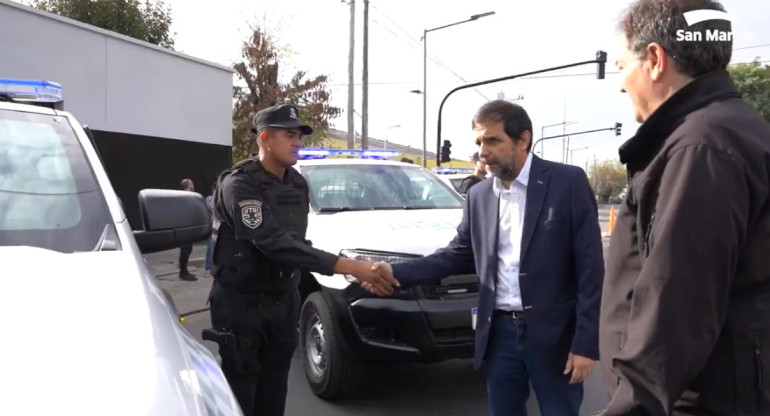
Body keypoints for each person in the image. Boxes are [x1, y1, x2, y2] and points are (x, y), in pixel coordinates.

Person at [370, 100, 604, 416]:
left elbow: (591, 269)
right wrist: (394, 272)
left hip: (555, 334)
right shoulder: (479, 195)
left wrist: (585, 344)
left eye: (492, 140)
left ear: (523, 140)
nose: (482, 151)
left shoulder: (566, 182)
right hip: (499, 333)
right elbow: (456, 255)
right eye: (479, 142)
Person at [599, 0, 770, 414]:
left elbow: (677, 306)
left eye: (623, 65)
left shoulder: (702, 147)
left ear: (655, 60)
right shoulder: (726, 130)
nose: (621, 85)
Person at [206, 103, 399, 416]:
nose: (298, 142)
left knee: (274, 388)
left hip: (283, 301)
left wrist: (352, 273)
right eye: (290, 135)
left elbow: (298, 243)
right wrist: (351, 266)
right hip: (241, 306)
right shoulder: (239, 184)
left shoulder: (296, 183)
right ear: (265, 138)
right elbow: (274, 243)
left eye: (300, 136)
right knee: (241, 393)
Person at [178, 178, 197, 281]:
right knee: (185, 249)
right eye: (192, 184)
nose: (193, 186)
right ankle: (183, 272)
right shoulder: (185, 196)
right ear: (188, 186)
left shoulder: (187, 196)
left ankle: (184, 271)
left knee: (187, 249)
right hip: (185, 226)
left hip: (187, 226)